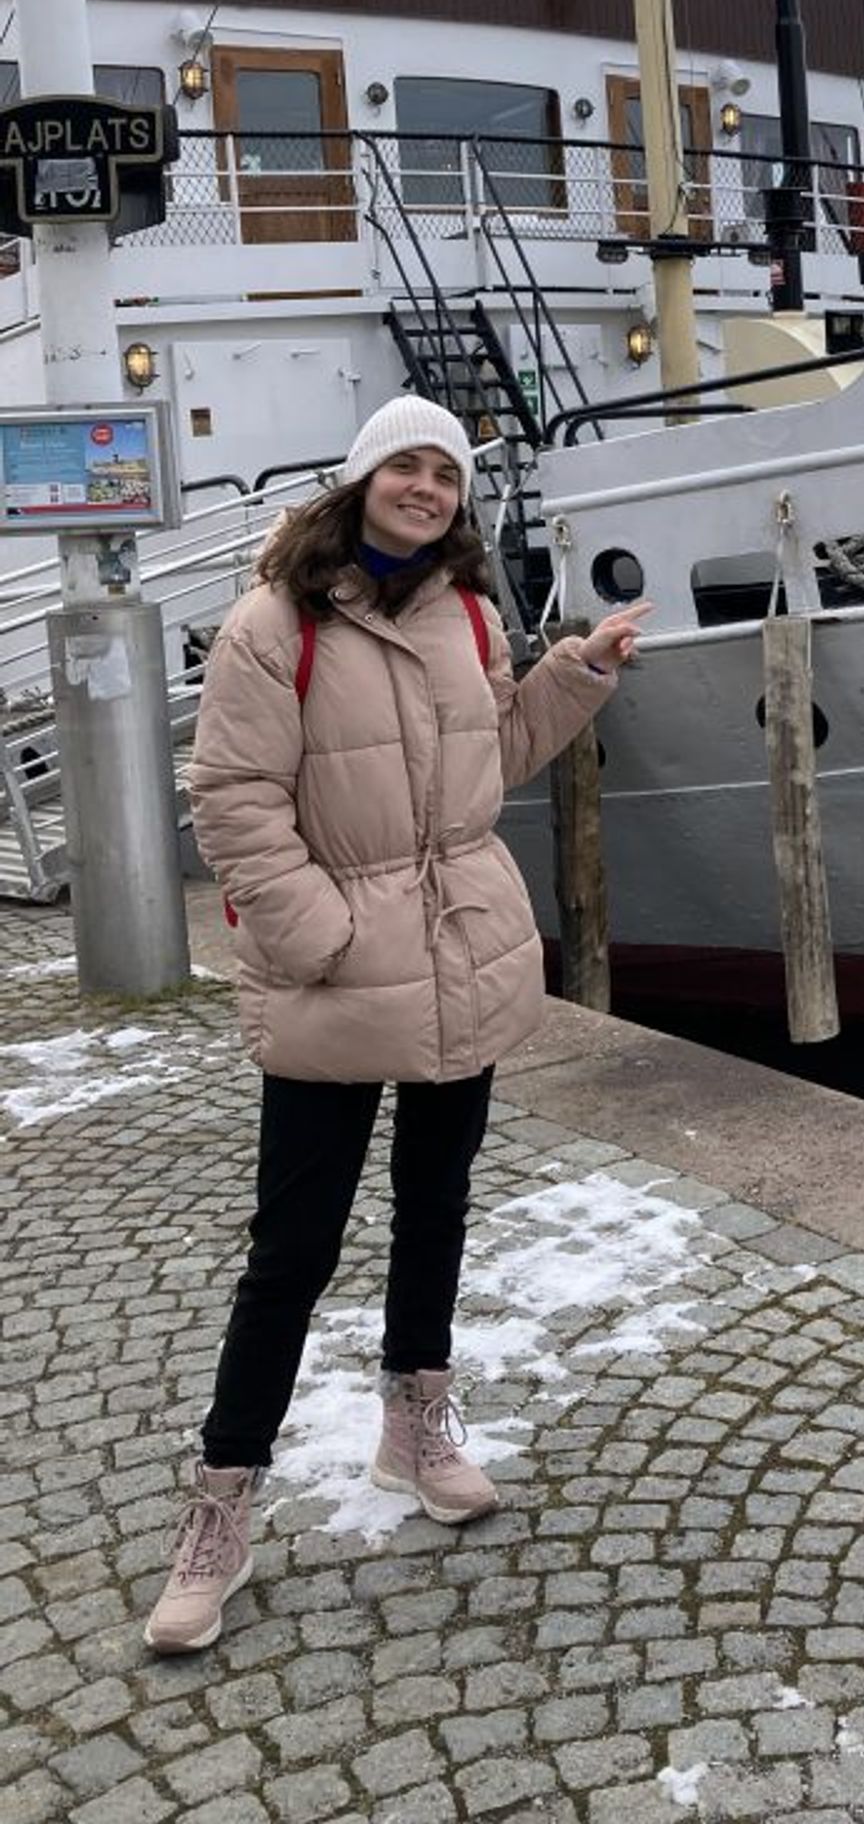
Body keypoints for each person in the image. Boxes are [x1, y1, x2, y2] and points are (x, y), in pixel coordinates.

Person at [144, 394, 647, 1655]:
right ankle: (223, 1501)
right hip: (343, 964)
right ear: (362, 477)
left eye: (446, 472)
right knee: (292, 1247)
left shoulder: (469, 611)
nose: (427, 487)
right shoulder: (278, 624)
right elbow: (233, 796)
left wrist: (574, 674)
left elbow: (495, 753)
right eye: (407, 466)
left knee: (438, 1204)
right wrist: (317, 936)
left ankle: (415, 1415)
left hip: (459, 950)